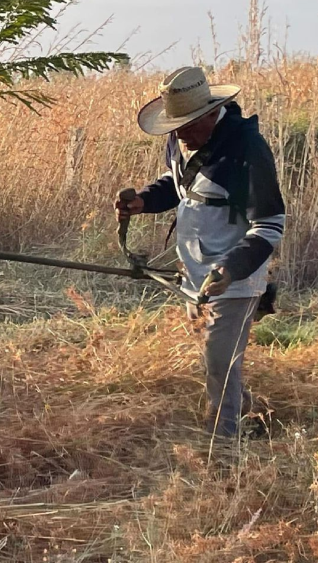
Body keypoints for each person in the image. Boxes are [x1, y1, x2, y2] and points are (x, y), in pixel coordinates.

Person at [116, 66, 285, 440]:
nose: (180, 135)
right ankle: (256, 417)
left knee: (220, 365)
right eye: (174, 127)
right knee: (214, 361)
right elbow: (180, 185)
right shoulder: (181, 139)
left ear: (212, 112)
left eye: (188, 126)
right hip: (194, 275)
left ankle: (222, 452)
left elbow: (270, 223)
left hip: (234, 281)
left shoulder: (247, 150)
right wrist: (143, 201)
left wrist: (231, 269)